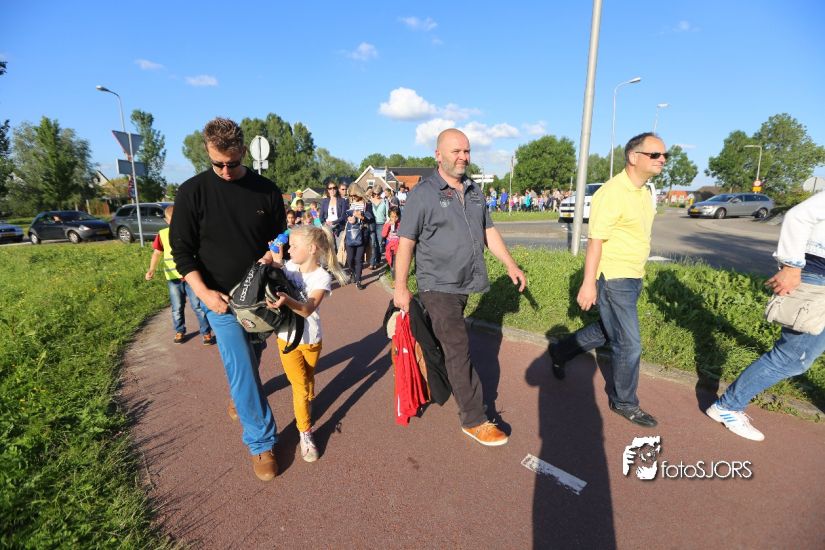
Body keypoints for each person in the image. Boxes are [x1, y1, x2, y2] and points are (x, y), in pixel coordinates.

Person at [393, 128, 526, 447]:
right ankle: (474, 418)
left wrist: (510, 264)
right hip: (437, 285)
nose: (463, 157)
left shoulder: (474, 190)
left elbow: (488, 231)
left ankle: (435, 373)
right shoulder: (423, 194)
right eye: (456, 151)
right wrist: (400, 286)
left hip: (465, 283)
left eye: (467, 151)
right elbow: (406, 242)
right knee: (457, 346)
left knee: (446, 343)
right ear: (438, 155)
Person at [170, 117, 286, 481]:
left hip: (258, 297)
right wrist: (203, 293)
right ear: (207, 152)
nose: (224, 171)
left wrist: (275, 252)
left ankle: (241, 398)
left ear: (243, 152)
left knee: (252, 356)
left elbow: (280, 235)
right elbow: (181, 251)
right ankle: (261, 442)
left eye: (232, 164)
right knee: (241, 366)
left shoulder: (266, 190)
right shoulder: (192, 192)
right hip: (218, 298)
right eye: (217, 163)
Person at [547, 132, 665, 427]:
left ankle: (560, 351)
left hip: (634, 276)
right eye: (655, 154)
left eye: (665, 155)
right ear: (633, 157)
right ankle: (624, 402)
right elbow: (595, 241)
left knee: (607, 329)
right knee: (629, 344)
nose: (662, 159)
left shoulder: (644, 192)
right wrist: (589, 283)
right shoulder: (611, 193)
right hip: (614, 278)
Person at [706, 190, 825, 441]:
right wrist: (791, 266)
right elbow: (798, 215)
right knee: (793, 357)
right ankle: (727, 406)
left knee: (796, 356)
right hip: (818, 280)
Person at [265, 225, 349, 461]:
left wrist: (287, 301)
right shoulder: (288, 266)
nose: (289, 249)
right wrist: (274, 259)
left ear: (311, 249)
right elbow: (270, 269)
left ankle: (307, 402)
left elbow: (307, 309)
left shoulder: (322, 277)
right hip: (287, 339)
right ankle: (305, 432)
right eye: (289, 245)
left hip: (312, 340)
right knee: (300, 386)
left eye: (294, 246)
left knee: (308, 380)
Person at [145, 205, 215, 346]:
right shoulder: (163, 234)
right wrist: (151, 269)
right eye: (172, 220)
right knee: (177, 307)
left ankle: (206, 333)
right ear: (167, 221)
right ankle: (179, 331)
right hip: (174, 279)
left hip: (191, 277)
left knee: (198, 306)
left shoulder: (191, 231)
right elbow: (157, 253)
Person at [343, 190, 372, 289]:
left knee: (359, 259)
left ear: (359, 193)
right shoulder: (348, 202)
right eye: (351, 195)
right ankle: (352, 272)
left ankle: (359, 281)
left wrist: (362, 217)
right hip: (350, 234)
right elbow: (343, 216)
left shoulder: (367, 204)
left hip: (362, 235)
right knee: (350, 259)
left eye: (354, 195)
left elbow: (371, 219)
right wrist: (348, 218)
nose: (352, 197)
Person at [370, 189, 388, 269]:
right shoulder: (370, 201)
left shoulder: (384, 201)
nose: (376, 195)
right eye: (375, 193)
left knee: (380, 244)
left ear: (381, 193)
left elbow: (387, 214)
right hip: (372, 224)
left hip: (381, 224)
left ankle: (377, 260)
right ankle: (372, 262)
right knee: (373, 244)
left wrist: (386, 224)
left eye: (378, 193)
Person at [382, 206, 401, 273]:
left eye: (396, 217)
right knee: (391, 261)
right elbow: (383, 234)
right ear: (389, 216)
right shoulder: (387, 224)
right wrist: (388, 225)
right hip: (390, 246)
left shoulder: (400, 224)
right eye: (392, 217)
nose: (394, 219)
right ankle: (393, 272)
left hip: (398, 246)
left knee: (397, 262)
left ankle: (396, 273)